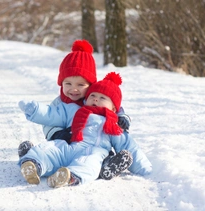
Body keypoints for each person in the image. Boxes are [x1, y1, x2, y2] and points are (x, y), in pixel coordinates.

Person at [17, 39, 132, 180]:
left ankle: (106, 166)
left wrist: (122, 116)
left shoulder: (93, 99)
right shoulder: (59, 102)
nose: (74, 89)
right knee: (50, 150)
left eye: (81, 84)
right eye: (68, 83)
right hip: (65, 142)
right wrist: (57, 134)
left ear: (91, 84)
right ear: (61, 83)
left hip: (90, 146)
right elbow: (48, 119)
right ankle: (31, 160)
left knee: (94, 157)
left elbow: (112, 105)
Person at [18, 72, 152, 188]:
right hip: (70, 145)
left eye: (102, 98)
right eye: (93, 95)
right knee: (49, 148)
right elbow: (53, 114)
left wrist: (144, 168)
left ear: (113, 108)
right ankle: (33, 164)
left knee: (90, 163)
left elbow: (129, 145)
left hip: (92, 150)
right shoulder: (74, 109)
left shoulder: (113, 123)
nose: (95, 99)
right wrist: (34, 109)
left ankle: (68, 177)